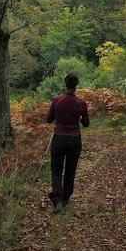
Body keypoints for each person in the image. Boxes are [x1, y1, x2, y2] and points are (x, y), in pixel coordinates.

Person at [46, 72, 90, 212]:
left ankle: (57, 198)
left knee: (56, 169)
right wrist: (80, 118)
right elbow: (86, 123)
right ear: (76, 85)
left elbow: (48, 119)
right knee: (70, 169)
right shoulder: (81, 103)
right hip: (74, 139)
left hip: (59, 138)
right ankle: (65, 198)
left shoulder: (57, 100)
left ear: (65, 84)